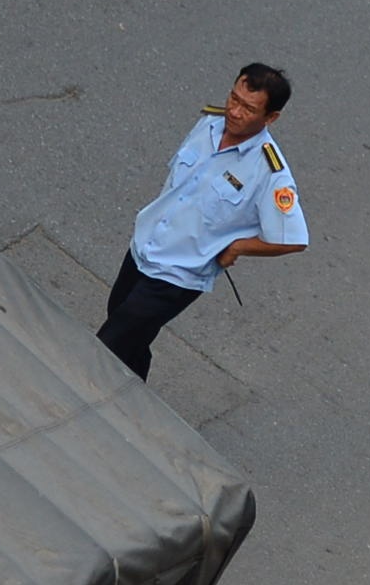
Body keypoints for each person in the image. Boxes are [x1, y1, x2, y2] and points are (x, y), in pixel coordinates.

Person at [98, 66, 305, 380]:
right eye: (233, 99)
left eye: (248, 109)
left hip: (177, 275)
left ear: (270, 118)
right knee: (129, 335)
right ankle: (134, 404)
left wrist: (238, 247)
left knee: (104, 347)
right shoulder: (208, 124)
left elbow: (293, 239)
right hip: (144, 247)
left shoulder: (270, 172)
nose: (234, 112)